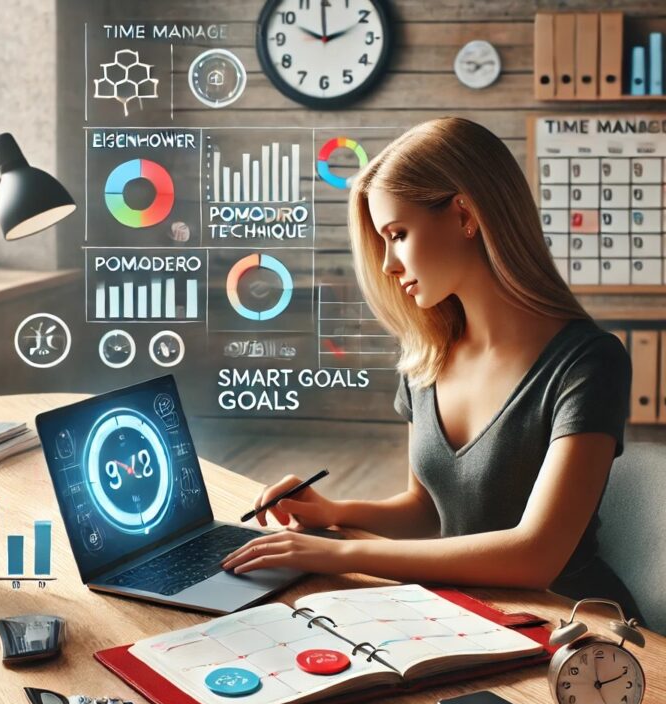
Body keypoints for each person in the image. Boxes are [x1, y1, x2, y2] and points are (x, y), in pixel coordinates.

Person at [222, 117, 637, 617]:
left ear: (465, 214)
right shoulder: (428, 355)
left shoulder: (588, 362)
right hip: (471, 611)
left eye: (397, 234)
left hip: (579, 629)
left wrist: (339, 552)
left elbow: (536, 557)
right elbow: (429, 512)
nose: (387, 266)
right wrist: (332, 513)